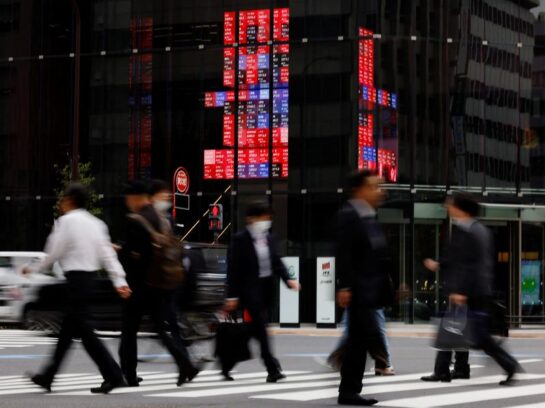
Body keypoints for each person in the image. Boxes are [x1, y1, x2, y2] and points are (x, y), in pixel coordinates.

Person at [23, 183, 131, 394]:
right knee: (68, 331)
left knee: (85, 332)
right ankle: (48, 376)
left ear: (70, 200)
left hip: (75, 281)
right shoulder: (97, 224)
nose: (61, 203)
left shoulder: (66, 222)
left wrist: (33, 268)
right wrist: (120, 281)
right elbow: (108, 256)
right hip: (90, 280)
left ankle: (115, 375)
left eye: (63, 199)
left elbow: (54, 252)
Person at [421, 194, 521, 385]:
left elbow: (474, 266)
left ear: (462, 208)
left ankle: (509, 364)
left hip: (471, 293)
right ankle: (442, 370)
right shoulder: (466, 229)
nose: (447, 208)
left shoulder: (474, 232)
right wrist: (438, 264)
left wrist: (462, 292)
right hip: (465, 291)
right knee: (450, 329)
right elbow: (457, 258)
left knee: (480, 338)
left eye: (451, 205)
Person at [118, 180, 198, 387]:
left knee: (128, 331)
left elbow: (134, 256)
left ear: (135, 198)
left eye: (128, 200)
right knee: (161, 330)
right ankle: (185, 364)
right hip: (159, 283)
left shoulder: (135, 220)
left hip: (137, 285)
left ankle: (129, 374)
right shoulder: (162, 219)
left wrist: (120, 251)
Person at [224, 201, 301, 383]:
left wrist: (288, 280)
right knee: (261, 328)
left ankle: (227, 362)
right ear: (251, 219)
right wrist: (232, 295)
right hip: (249, 290)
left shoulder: (269, 237)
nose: (266, 221)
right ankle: (272, 368)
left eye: (268, 218)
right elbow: (234, 269)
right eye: (263, 217)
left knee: (253, 330)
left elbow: (276, 261)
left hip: (266, 288)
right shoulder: (240, 239)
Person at [336, 170, 393, 407]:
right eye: (374, 186)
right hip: (358, 289)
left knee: (358, 339)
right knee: (363, 337)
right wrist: (345, 285)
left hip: (370, 290)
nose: (379, 191)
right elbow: (344, 253)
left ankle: (348, 388)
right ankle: (349, 389)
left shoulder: (369, 216)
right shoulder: (349, 215)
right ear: (359, 189)